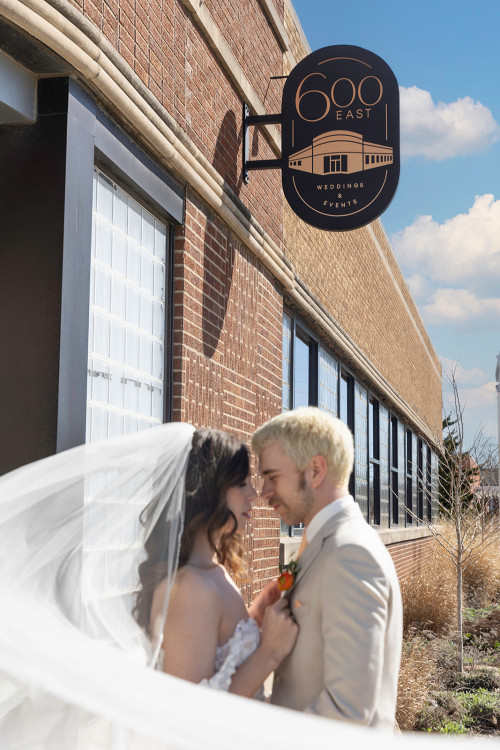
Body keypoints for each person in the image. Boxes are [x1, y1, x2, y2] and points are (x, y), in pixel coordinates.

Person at [251, 406, 403, 729]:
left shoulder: (350, 554)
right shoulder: (325, 545)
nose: (264, 493)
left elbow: (346, 711)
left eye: (272, 477)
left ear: (316, 471)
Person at [133, 427, 298, 696]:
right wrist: (269, 652)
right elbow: (190, 712)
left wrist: (255, 617)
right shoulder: (190, 588)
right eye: (242, 483)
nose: (253, 494)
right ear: (210, 489)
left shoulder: (213, 569)